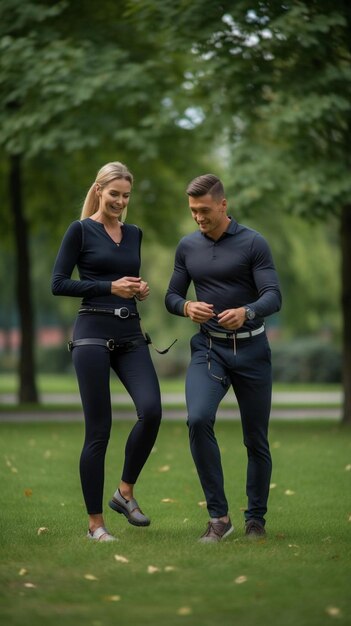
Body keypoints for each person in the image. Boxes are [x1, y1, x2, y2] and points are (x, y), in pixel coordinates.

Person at [165, 174, 282, 543]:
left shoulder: (253, 242)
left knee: (255, 439)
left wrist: (246, 312)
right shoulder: (187, 247)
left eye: (204, 210)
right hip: (209, 349)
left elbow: (273, 296)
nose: (198, 217)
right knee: (198, 419)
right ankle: (218, 518)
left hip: (252, 350)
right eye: (193, 211)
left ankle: (255, 520)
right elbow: (171, 295)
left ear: (222, 205)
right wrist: (186, 306)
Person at [52, 161, 162, 542]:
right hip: (92, 334)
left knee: (151, 411)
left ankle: (125, 492)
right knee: (99, 431)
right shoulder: (80, 231)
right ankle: (95, 525)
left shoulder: (134, 234)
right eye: (114, 193)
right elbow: (59, 283)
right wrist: (108, 287)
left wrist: (137, 289)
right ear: (99, 190)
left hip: (130, 332)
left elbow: (125, 279)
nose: (120, 200)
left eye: (126, 195)